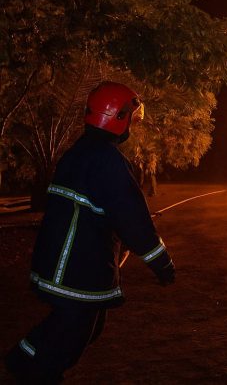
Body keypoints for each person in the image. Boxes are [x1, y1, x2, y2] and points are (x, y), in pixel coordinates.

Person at [4, 81, 175, 383]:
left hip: (58, 262)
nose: (131, 129)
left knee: (82, 327)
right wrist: (161, 263)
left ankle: (24, 358)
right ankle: (35, 370)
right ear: (118, 119)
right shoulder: (110, 162)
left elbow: (95, 210)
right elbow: (133, 220)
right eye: (130, 120)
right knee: (71, 332)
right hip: (76, 269)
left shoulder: (78, 153)